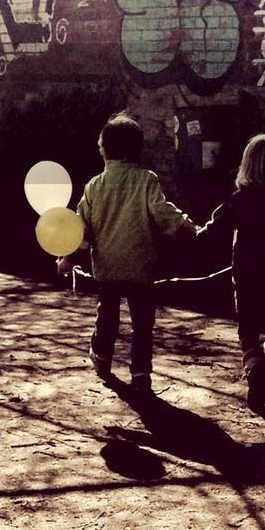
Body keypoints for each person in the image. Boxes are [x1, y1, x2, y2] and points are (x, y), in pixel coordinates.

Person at [57, 114, 195, 398]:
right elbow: (162, 212)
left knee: (106, 317)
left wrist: (68, 257)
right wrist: (187, 227)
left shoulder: (94, 186)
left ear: (106, 149)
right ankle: (141, 373)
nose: (98, 149)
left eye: (99, 144)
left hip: (108, 268)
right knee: (143, 324)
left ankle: (102, 357)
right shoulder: (146, 180)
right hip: (141, 267)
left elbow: (82, 228)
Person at [193, 133, 265, 410]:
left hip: (247, 273)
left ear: (247, 165)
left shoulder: (241, 199)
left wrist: (194, 233)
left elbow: (214, 229)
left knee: (248, 328)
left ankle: (254, 367)